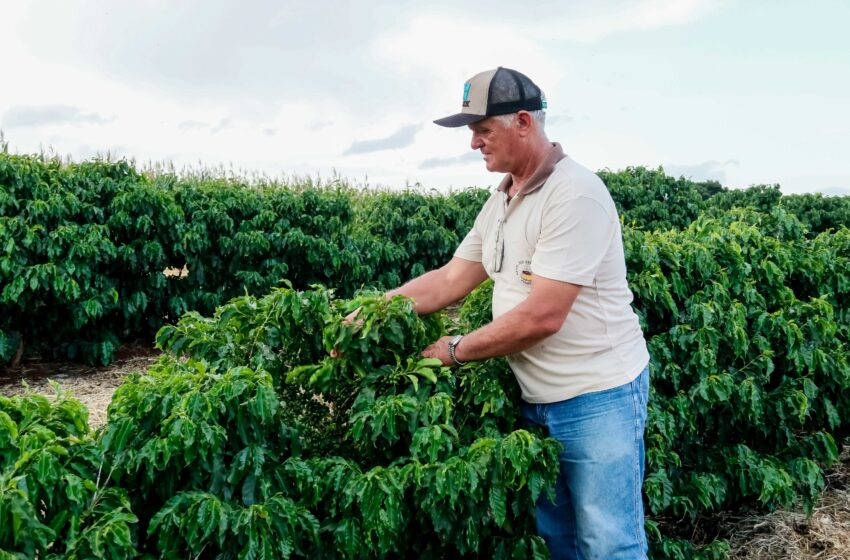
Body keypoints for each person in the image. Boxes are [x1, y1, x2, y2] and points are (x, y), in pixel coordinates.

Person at [382, 67, 651, 560]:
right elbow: (449, 280)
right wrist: (372, 314)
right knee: (561, 537)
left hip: (597, 398)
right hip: (538, 399)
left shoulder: (575, 194)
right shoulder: (503, 198)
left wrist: (453, 351)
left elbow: (543, 316)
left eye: (483, 131)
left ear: (523, 121)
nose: (473, 144)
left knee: (609, 542)